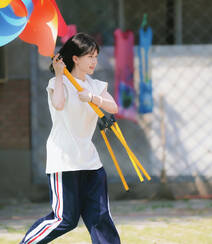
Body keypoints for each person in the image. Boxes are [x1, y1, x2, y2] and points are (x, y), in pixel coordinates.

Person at [20, 32, 121, 244]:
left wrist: (92, 97)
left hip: (91, 162)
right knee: (64, 219)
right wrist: (58, 74)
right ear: (75, 58)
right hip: (64, 160)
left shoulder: (95, 85)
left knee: (100, 217)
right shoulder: (60, 83)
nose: (94, 61)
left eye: (96, 56)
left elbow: (113, 107)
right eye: (89, 56)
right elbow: (58, 104)